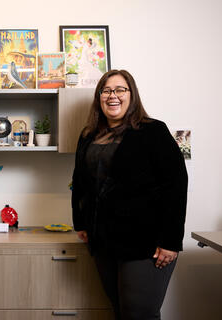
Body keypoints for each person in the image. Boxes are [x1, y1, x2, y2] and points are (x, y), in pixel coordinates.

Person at [71, 69, 188, 320]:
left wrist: (171, 240)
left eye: (120, 89)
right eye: (106, 90)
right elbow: (80, 182)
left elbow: (176, 186)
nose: (113, 96)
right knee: (121, 312)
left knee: (140, 314)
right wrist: (80, 222)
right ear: (99, 97)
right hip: (103, 242)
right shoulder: (89, 135)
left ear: (131, 95)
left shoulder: (153, 131)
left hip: (145, 244)